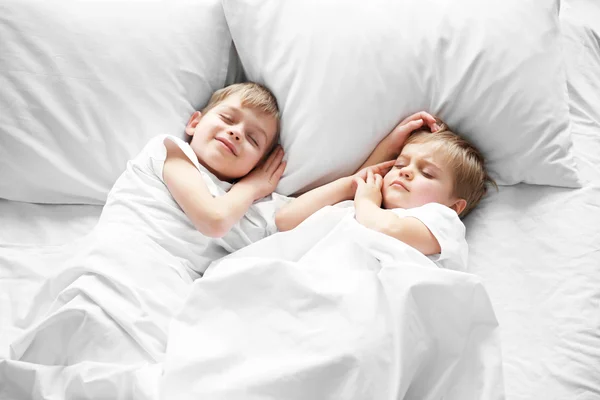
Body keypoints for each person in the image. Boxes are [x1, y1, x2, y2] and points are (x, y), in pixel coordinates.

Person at [275, 112, 496, 270]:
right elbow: (286, 220)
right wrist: (352, 183)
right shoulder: (357, 207)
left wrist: (366, 202)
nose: (405, 172)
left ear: (454, 206)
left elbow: (387, 227)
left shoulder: (440, 221)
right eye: (399, 164)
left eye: (427, 173)